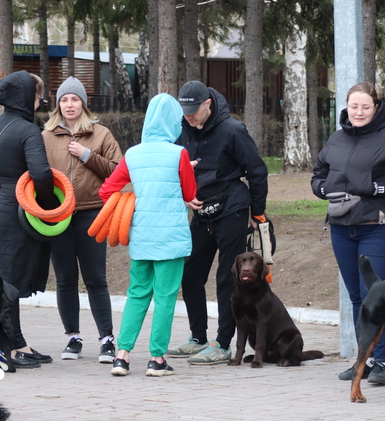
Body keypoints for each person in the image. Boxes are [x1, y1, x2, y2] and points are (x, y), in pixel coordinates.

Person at [311, 82, 385, 385]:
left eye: (365, 107)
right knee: (357, 296)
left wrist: (377, 187)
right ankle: (366, 361)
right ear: (346, 106)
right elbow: (318, 175)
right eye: (353, 106)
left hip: (380, 227)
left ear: (376, 107)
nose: (358, 112)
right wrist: (323, 189)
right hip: (341, 228)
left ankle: (382, 363)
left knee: (376, 294)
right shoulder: (336, 139)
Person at [166, 80, 268, 365]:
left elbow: (257, 171)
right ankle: (198, 337)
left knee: (227, 277)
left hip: (232, 209)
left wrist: (257, 213)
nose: (189, 116)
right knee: (190, 273)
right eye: (184, 111)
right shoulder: (181, 131)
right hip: (201, 213)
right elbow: (174, 172)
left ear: (208, 104)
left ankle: (223, 344)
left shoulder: (233, 130)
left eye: (194, 111)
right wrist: (186, 195)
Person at [99, 93, 197, 377]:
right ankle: (156, 359)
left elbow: (106, 191)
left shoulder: (132, 154)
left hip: (141, 237)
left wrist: (130, 203)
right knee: (165, 297)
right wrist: (186, 172)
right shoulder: (179, 154)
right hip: (171, 239)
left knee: (137, 294)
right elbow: (190, 193)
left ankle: (122, 356)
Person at [0, 71, 56, 370]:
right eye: (37, 95)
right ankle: (12, 347)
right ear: (25, 97)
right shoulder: (28, 130)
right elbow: (41, 173)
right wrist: (49, 207)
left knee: (1, 279)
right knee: (8, 282)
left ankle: (13, 345)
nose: (39, 100)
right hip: (19, 212)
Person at [42, 77, 122, 363]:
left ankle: (107, 340)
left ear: (83, 104)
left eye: (74, 99)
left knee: (96, 278)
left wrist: (87, 155)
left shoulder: (101, 134)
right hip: (59, 216)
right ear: (58, 105)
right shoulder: (46, 136)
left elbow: (117, 172)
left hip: (91, 214)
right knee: (65, 279)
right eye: (64, 100)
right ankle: (73, 338)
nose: (69, 104)